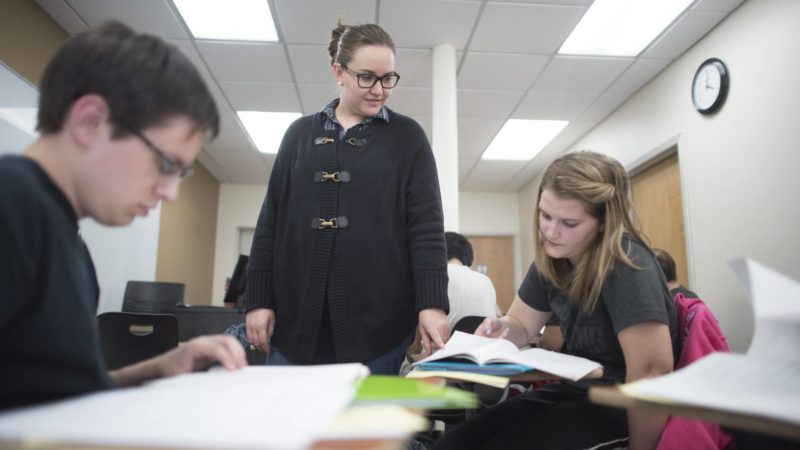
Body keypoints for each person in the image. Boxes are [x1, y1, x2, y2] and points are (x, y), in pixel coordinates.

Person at [0, 22, 246, 412]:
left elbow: (53, 394)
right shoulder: (12, 207)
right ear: (91, 121)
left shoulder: (69, 243)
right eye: (166, 163)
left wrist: (161, 367)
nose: (170, 192)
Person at [432, 151, 679, 450]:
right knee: (455, 443)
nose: (550, 231)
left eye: (569, 223)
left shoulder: (626, 267)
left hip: (622, 404)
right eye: (545, 216)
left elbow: (652, 371)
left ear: (603, 222)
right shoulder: (552, 261)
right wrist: (502, 327)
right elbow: (522, 323)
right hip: (576, 392)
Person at [245, 20, 450, 375]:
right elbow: (270, 224)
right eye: (367, 77)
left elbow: (426, 229)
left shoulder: (408, 138)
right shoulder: (297, 136)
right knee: (288, 426)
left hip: (377, 328)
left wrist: (432, 304)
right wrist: (258, 301)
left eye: (388, 79)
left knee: (359, 430)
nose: (379, 90)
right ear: (338, 71)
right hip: (293, 326)